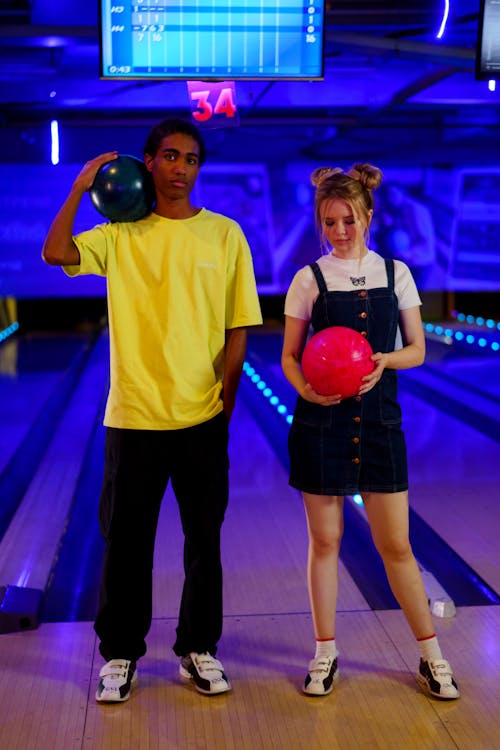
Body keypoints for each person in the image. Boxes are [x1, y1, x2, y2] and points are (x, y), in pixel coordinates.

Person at [42, 117, 263, 702]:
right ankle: (118, 656)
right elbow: (55, 251)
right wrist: (78, 187)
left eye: (191, 159)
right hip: (134, 417)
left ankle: (198, 648)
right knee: (126, 544)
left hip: (200, 419)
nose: (181, 168)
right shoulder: (119, 235)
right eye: (169, 156)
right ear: (148, 162)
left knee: (203, 542)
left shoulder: (225, 235)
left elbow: (239, 324)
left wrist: (227, 401)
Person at [281, 164, 459, 700]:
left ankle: (433, 658)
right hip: (321, 423)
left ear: (368, 216)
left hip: (380, 424)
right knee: (326, 541)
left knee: (396, 545)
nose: (340, 230)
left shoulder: (395, 272)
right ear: (320, 222)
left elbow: (418, 350)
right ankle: (324, 653)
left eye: (349, 220)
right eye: (330, 221)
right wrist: (305, 390)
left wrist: (384, 362)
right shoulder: (308, 278)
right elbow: (290, 356)